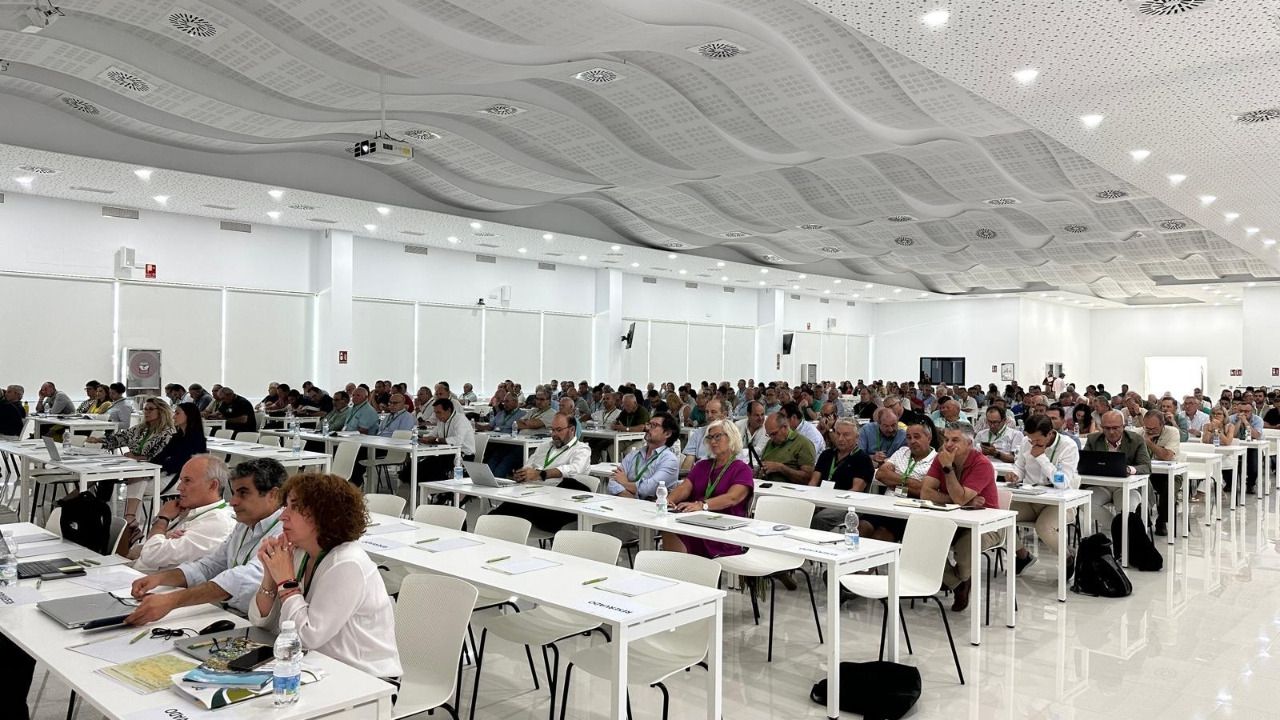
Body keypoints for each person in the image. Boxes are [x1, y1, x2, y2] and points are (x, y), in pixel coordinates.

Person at [251, 473, 401, 678]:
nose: (282, 516)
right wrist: (271, 573)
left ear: (324, 515)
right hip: (318, 665)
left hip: (366, 678)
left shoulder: (347, 563)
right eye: (286, 506)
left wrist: (286, 582)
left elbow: (307, 637)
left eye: (295, 507)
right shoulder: (300, 552)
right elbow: (262, 622)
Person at [125, 458, 287, 625]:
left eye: (243, 493)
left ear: (273, 495)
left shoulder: (284, 531)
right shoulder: (245, 524)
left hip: (260, 624)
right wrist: (159, 578)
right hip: (230, 613)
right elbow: (210, 565)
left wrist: (172, 600)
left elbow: (242, 579)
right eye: (234, 493)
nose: (233, 501)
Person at [923, 424, 1000, 612]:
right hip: (952, 520)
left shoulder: (982, 464)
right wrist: (964, 500)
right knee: (921, 539)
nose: (948, 444)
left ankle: (959, 578)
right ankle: (958, 584)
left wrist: (948, 469)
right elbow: (926, 493)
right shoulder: (941, 458)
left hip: (986, 526)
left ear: (969, 444)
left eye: (955, 440)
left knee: (966, 547)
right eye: (946, 439)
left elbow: (959, 498)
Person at [125, 454, 237, 573]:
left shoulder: (217, 523)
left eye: (187, 481)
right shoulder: (193, 511)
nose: (179, 487)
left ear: (213, 485)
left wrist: (162, 520)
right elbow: (146, 550)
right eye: (181, 480)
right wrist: (163, 537)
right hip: (137, 573)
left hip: (152, 581)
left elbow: (150, 555)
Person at [662, 419, 755, 558]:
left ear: (731, 437)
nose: (713, 441)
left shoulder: (742, 469)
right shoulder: (702, 465)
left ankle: (686, 569)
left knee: (679, 534)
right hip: (695, 523)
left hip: (723, 530)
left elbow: (733, 498)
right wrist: (667, 500)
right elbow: (685, 487)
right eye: (710, 438)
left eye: (718, 436)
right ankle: (679, 569)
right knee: (668, 528)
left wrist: (703, 505)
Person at [487, 413, 591, 532]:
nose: (554, 434)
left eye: (559, 430)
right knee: (493, 517)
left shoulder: (581, 449)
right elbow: (529, 465)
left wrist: (541, 474)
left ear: (572, 430)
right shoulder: (544, 446)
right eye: (552, 430)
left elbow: (575, 470)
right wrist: (522, 474)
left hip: (555, 503)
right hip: (530, 495)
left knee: (503, 519)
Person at [86, 396, 176, 526]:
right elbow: (120, 438)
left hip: (154, 470)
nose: (146, 412)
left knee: (136, 477)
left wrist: (138, 458)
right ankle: (85, 502)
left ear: (161, 411)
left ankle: (130, 518)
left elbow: (161, 457)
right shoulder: (140, 428)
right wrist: (98, 440)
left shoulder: (168, 432)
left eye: (151, 409)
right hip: (132, 465)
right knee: (102, 472)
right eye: (145, 409)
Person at [1008, 414, 1080, 574]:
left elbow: (1062, 482)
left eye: (1038, 440)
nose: (1033, 444)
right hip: (1030, 499)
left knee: (1044, 527)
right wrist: (1015, 475)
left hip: (1059, 503)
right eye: (1031, 440)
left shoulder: (1068, 446)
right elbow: (1020, 466)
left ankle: (1068, 557)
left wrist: (1041, 457)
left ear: (1050, 433)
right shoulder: (1027, 441)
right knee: (999, 518)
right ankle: (1022, 555)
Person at [1084, 411, 1151, 530]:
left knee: (1126, 508)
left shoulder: (1136, 440)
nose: (1111, 432)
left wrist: (1129, 469)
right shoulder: (1093, 439)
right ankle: (1117, 529)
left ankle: (1122, 531)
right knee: (1085, 503)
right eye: (1107, 428)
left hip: (1128, 487)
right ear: (1101, 427)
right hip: (1101, 486)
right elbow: (1084, 462)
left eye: (1115, 428)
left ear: (1123, 426)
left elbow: (1146, 466)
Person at [810, 419, 874, 531]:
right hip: (820, 499)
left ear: (857, 437)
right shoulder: (826, 454)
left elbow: (855, 490)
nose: (840, 439)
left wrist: (831, 501)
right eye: (838, 434)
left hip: (846, 504)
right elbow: (813, 482)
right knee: (799, 509)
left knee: (819, 519)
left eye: (846, 435)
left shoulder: (862, 459)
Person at [609, 413, 681, 499]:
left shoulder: (669, 460)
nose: (647, 428)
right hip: (625, 503)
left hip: (653, 506)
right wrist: (633, 500)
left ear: (667, 434)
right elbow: (613, 481)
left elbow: (648, 489)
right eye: (648, 424)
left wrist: (624, 483)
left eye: (654, 425)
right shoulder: (633, 455)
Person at [150, 402, 209, 495]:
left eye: (177, 413)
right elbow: (162, 455)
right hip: (169, 474)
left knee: (138, 486)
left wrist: (161, 466)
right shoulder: (177, 437)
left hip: (182, 479)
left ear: (189, 415)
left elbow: (182, 463)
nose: (174, 417)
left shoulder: (197, 440)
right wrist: (148, 466)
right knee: (137, 483)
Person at [1140, 410, 1181, 536]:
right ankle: (1142, 518)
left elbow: (1167, 456)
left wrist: (1148, 442)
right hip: (1149, 473)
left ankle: (1162, 520)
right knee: (1137, 483)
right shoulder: (1139, 432)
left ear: (1162, 424)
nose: (1150, 431)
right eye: (1147, 428)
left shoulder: (1172, 432)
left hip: (1170, 473)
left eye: (1154, 428)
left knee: (1169, 488)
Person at [415, 398, 476, 480]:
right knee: (418, 467)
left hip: (462, 455)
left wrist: (437, 440)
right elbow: (433, 434)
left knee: (431, 469)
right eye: (435, 412)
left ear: (448, 410)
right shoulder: (441, 420)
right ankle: (419, 486)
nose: (436, 415)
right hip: (446, 454)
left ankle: (436, 487)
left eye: (439, 412)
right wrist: (424, 439)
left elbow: (458, 440)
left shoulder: (460, 419)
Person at [758, 412, 816, 485]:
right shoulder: (770, 443)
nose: (772, 438)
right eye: (769, 435)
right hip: (765, 484)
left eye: (774, 434)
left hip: (788, 488)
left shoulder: (803, 444)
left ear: (785, 427)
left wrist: (781, 468)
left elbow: (807, 478)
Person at [1229, 400, 1263, 494]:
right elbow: (1232, 436)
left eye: (1246, 411)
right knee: (1226, 459)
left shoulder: (1258, 420)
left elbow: (1256, 435)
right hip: (1235, 447)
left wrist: (1245, 422)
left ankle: (1250, 484)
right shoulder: (1231, 418)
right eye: (1241, 411)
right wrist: (1239, 421)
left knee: (1254, 464)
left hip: (1252, 447)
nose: (1243, 413)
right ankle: (1229, 483)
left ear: (1252, 411)